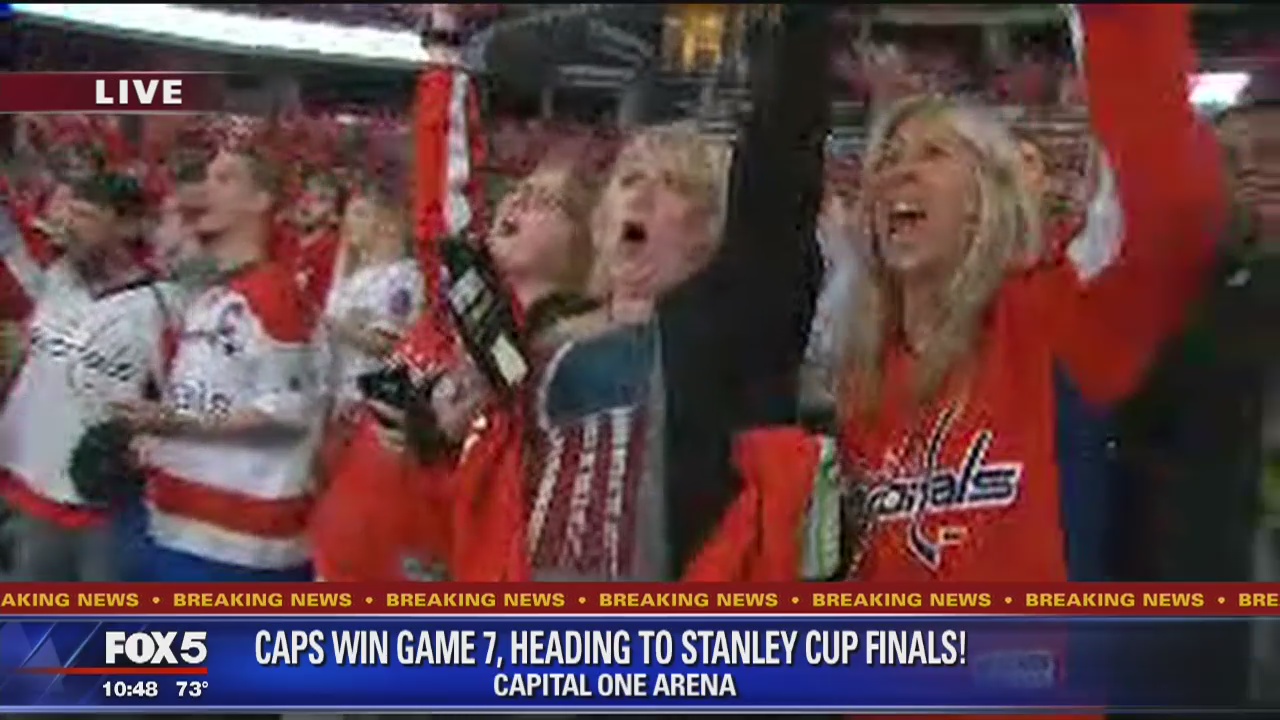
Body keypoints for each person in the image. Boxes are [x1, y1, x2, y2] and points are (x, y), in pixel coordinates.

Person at [689, 4, 1227, 591]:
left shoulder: (1056, 321)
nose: (898, 174)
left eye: (933, 155)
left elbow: (1160, 205)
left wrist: (1120, 20)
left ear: (988, 196)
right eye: (887, 160)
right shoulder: (857, 384)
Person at [309, 161, 595, 582]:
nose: (517, 199)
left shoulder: (559, 363)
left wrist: (441, 437)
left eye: (545, 201)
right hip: (339, 561)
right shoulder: (454, 312)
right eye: (519, 189)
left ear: (586, 242)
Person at [115, 147, 322, 582]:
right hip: (176, 524)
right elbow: (215, 399)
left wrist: (177, 423)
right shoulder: (214, 296)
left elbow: (286, 414)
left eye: (225, 179)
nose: (205, 191)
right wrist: (155, 440)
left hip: (236, 550)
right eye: (206, 178)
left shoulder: (274, 296)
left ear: (262, 200)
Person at [0, 173, 176, 581]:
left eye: (86, 215)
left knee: (95, 631)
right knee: (31, 635)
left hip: (102, 508)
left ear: (129, 225)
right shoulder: (56, 282)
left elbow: (183, 404)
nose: (70, 224)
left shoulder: (162, 306)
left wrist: (149, 444)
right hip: (28, 486)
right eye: (69, 212)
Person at [321, 176, 424, 421]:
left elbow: (385, 344)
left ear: (388, 222)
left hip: (365, 407)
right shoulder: (355, 277)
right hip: (335, 402)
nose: (348, 222)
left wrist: (330, 324)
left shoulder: (402, 278)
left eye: (360, 214)